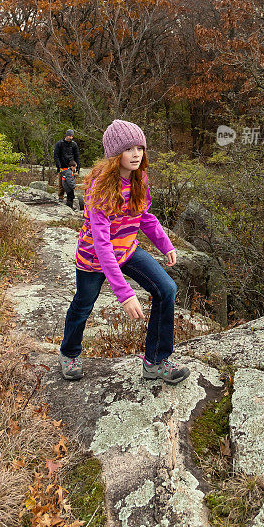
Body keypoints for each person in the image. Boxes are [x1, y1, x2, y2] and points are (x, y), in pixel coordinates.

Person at [59, 119, 190, 385]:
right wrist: (124, 293)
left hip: (127, 249)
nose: (136, 154)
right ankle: (69, 353)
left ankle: (156, 361)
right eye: (129, 148)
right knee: (83, 305)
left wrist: (166, 244)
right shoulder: (100, 190)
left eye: (140, 147)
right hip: (95, 258)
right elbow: (102, 244)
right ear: (114, 154)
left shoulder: (140, 179)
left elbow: (144, 217)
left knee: (166, 289)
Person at [54, 129, 80, 202]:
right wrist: (58, 166)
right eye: (69, 136)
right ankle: (60, 196)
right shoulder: (59, 143)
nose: (70, 137)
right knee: (61, 183)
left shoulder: (74, 144)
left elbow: (77, 156)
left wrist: (78, 167)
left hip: (71, 166)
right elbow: (56, 155)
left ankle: (70, 198)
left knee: (71, 182)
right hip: (62, 166)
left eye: (72, 136)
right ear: (66, 135)